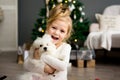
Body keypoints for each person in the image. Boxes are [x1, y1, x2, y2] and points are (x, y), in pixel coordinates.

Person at [24, 3, 73, 80]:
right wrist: (43, 68)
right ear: (48, 27)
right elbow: (26, 65)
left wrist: (43, 56)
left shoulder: (66, 47)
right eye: (54, 27)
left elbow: (62, 66)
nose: (56, 33)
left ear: (66, 35)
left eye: (62, 31)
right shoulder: (40, 44)